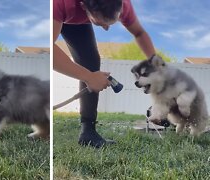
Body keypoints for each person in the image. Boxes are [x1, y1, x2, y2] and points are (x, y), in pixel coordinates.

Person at [53, 0, 156, 148]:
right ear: (83, 6)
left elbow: (139, 32)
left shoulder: (123, 4)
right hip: (59, 13)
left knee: (91, 62)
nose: (106, 28)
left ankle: (87, 132)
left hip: (78, 21)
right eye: (100, 23)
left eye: (111, 22)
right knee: (89, 71)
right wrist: (88, 77)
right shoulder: (60, 3)